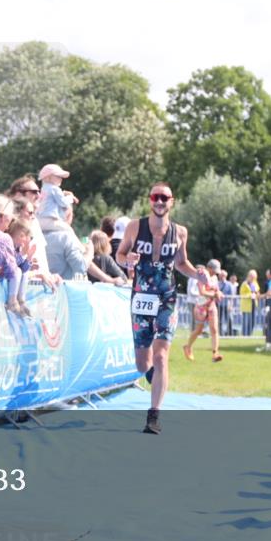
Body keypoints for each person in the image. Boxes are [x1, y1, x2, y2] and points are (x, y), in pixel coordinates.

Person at [115, 182, 207, 435]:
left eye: (164, 198)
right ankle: (156, 378)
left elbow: (182, 263)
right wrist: (127, 260)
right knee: (143, 364)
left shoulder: (180, 232)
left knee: (161, 355)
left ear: (171, 202)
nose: (159, 202)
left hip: (167, 297)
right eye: (156, 197)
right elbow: (120, 255)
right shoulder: (136, 227)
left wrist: (198, 275)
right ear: (150, 200)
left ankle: (154, 415)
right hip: (141, 296)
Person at [7, 177, 62, 289]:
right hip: (17, 295)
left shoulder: (34, 221)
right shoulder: (6, 227)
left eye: (39, 192)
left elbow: (41, 259)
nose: (39, 195)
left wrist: (49, 275)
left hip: (38, 292)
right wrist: (31, 271)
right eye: (33, 192)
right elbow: (7, 269)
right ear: (18, 194)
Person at [181, 263, 224, 363]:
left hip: (211, 305)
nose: (215, 273)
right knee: (199, 330)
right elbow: (202, 292)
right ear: (209, 268)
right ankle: (187, 347)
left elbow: (216, 289)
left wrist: (219, 293)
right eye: (214, 271)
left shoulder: (214, 278)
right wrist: (214, 294)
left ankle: (215, 353)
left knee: (214, 329)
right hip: (201, 306)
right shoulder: (202, 276)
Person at [36, 163, 75, 234]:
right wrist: (70, 198)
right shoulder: (54, 189)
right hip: (49, 219)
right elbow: (64, 203)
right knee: (69, 230)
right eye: (58, 176)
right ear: (48, 177)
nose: (61, 179)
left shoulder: (43, 189)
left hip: (39, 220)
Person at [240, 269, 259, 336]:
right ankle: (245, 334)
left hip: (253, 305)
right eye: (252, 276)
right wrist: (249, 295)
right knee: (246, 321)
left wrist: (256, 294)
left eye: (254, 277)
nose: (253, 278)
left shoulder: (255, 283)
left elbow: (258, 292)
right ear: (249, 276)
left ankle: (250, 334)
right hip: (246, 306)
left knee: (252, 321)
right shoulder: (244, 284)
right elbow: (241, 294)